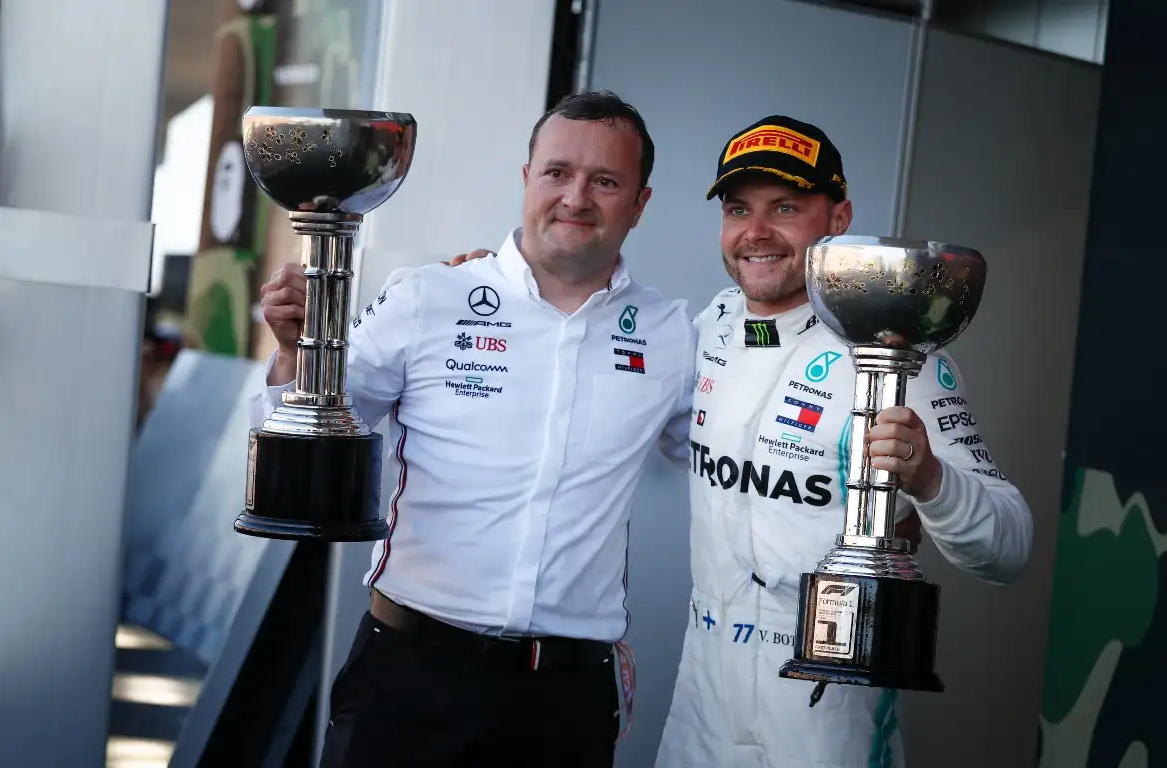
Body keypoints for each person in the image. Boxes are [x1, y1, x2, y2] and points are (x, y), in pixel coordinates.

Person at [253, 90, 697, 767]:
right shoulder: (427, 298)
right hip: (409, 682)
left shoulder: (672, 335)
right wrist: (295, 355)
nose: (576, 197)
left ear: (639, 204)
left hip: (565, 702)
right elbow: (304, 447)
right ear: (526, 181)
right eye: (557, 172)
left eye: (605, 181)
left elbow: (732, 468)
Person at [651, 116, 1035, 767]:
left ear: (837, 218)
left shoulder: (897, 351)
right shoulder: (710, 326)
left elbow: (1010, 547)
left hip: (824, 718)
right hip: (699, 706)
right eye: (739, 209)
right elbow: (651, 423)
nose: (756, 232)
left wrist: (932, 484)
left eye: (786, 208)